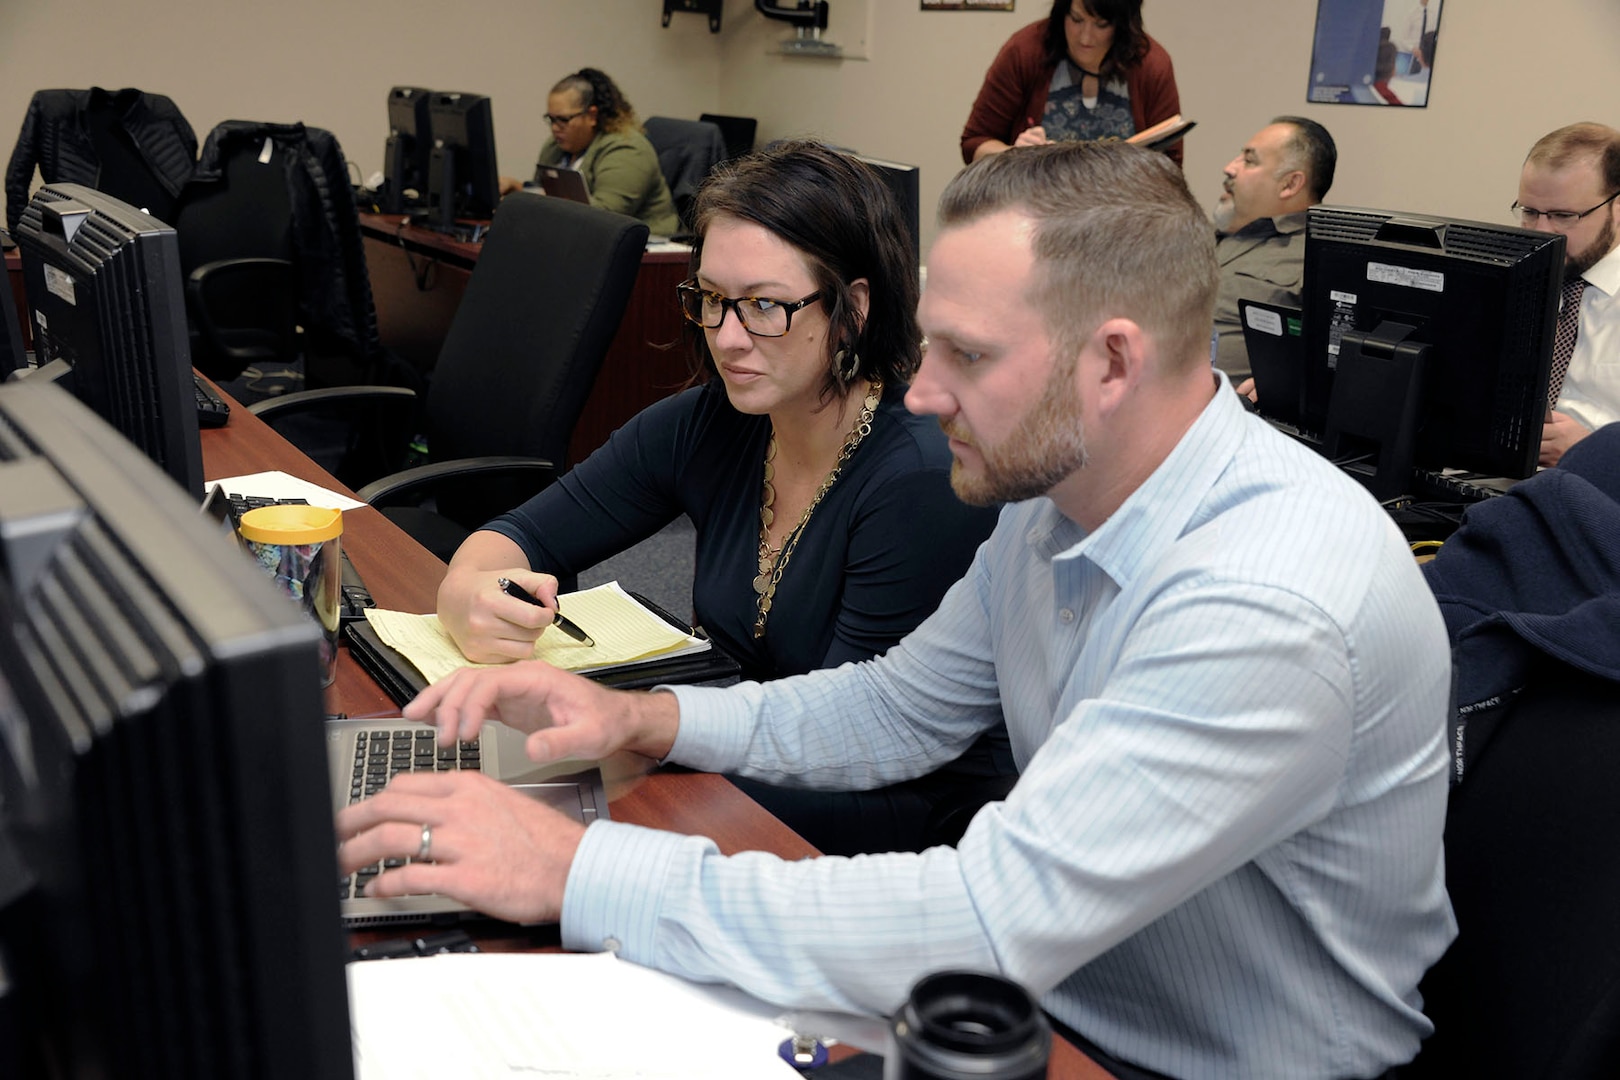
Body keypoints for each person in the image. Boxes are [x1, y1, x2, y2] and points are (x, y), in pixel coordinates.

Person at [338, 141, 1457, 1080]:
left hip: (1178, 1061)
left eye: (966, 356)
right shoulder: (1055, 488)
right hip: (1047, 1008)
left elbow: (988, 917)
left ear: (1112, 362)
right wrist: (651, 720)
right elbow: (902, 706)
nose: (920, 393)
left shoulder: (1269, 602)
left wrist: (575, 871)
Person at [439, 139, 1006, 856]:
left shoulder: (918, 478)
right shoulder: (719, 421)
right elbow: (520, 534)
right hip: (748, 768)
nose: (727, 338)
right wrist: (468, 591)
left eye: (766, 306)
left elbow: (856, 747)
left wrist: (620, 760)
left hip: (893, 826)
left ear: (853, 310)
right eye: (712, 300)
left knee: (543, 810)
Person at [960, 0, 1181, 168]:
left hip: (1124, 218)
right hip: (1034, 213)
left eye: (1101, 25)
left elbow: (1171, 165)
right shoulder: (1026, 51)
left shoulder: (1151, 64)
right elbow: (974, 144)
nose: (1085, 37)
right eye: (1076, 19)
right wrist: (1015, 155)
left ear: (1122, 25)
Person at [1516, 122, 1620, 468]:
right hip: (1497, 486)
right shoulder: (1515, 281)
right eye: (1530, 213)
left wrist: (1592, 452)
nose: (1542, 233)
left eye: (1563, 216)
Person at [1209, 116, 1337, 388]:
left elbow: (1331, 369)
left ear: (1290, 184)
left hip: (1228, 416)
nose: (1229, 168)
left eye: (1249, 160)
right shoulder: (1195, 238)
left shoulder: (1318, 260)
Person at [497, 68, 680, 237]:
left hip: (650, 255)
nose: (554, 128)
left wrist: (535, 199)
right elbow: (547, 193)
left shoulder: (627, 149)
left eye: (563, 119)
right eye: (550, 119)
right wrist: (519, 190)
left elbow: (606, 216)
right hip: (579, 241)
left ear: (592, 115)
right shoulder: (555, 147)